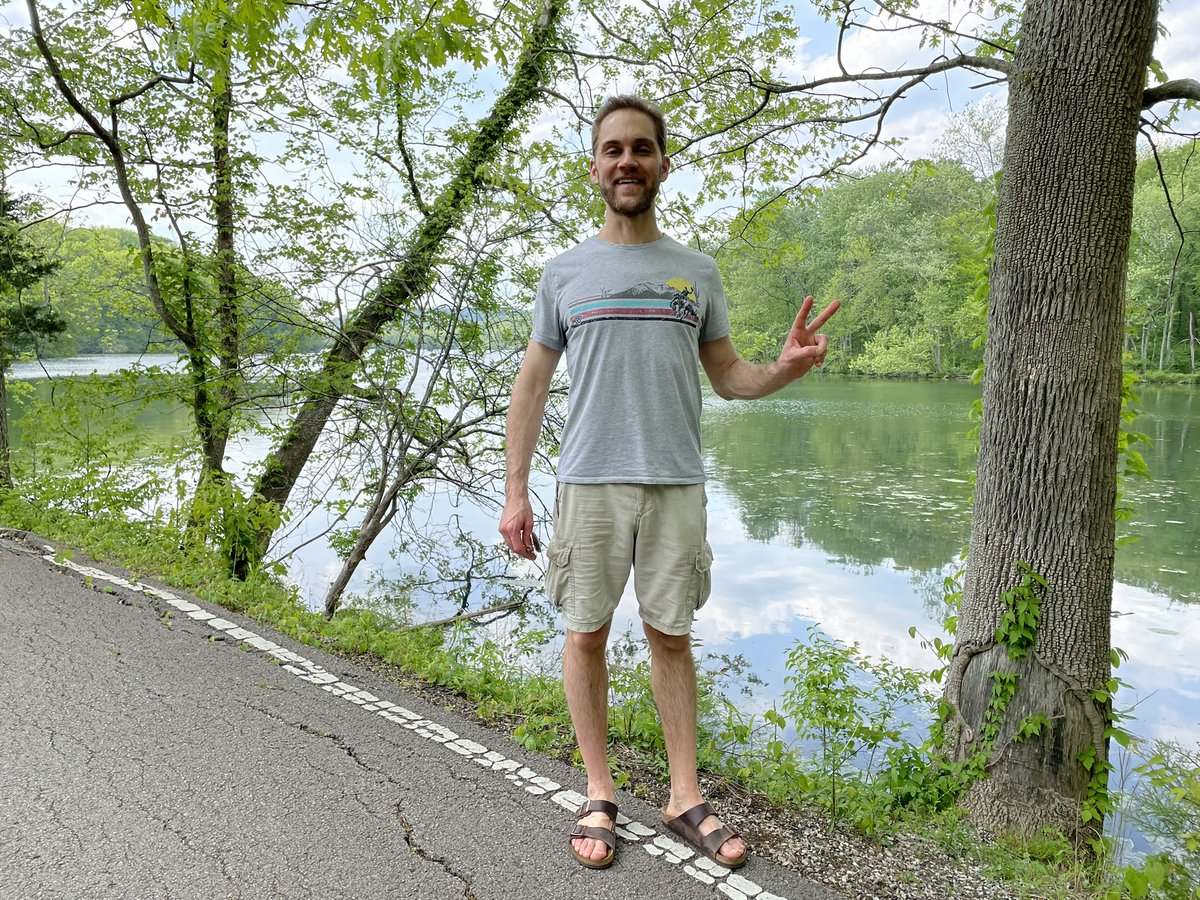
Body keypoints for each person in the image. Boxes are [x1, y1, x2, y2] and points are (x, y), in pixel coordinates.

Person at [498, 95, 839, 871]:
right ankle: (598, 787)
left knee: (670, 635)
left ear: (662, 164)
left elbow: (729, 378)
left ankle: (684, 794)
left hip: (675, 482)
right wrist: (516, 491)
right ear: (594, 168)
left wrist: (783, 369)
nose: (627, 161)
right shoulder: (565, 274)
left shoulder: (696, 272)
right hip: (587, 481)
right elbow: (530, 387)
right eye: (613, 149)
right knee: (584, 633)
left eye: (642, 149)